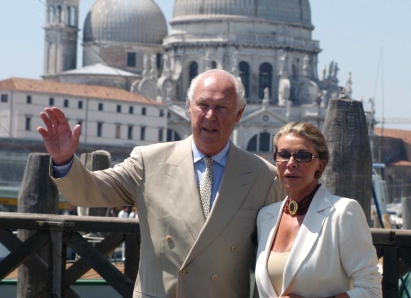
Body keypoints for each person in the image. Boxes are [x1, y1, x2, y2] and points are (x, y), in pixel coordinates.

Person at [37, 69, 285, 298]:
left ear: (239, 114)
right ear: (189, 107)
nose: (210, 116)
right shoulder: (149, 161)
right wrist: (64, 160)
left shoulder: (263, 176)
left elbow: (276, 259)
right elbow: (89, 193)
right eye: (203, 105)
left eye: (221, 107)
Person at [255, 122, 382, 298]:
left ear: (320, 166)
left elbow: (372, 291)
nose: (291, 163)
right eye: (283, 155)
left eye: (302, 156)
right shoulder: (266, 216)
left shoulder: (342, 212)